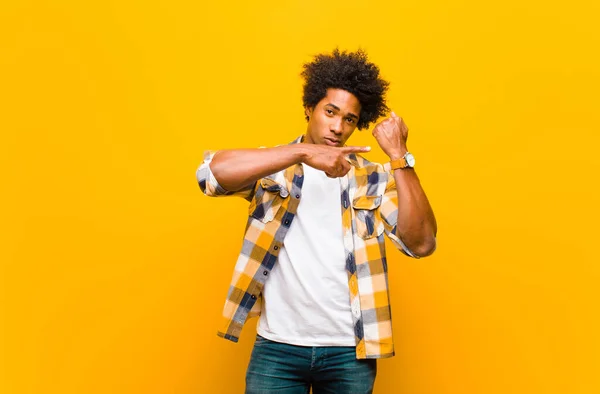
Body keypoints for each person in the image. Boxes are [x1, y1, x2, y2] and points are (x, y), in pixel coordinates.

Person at [196, 48, 437, 394]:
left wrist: (400, 157)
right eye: (330, 112)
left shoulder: (374, 179)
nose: (338, 127)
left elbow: (422, 243)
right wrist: (301, 153)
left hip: (349, 353)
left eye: (350, 119)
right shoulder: (274, 167)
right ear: (309, 108)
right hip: (277, 348)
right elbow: (209, 177)